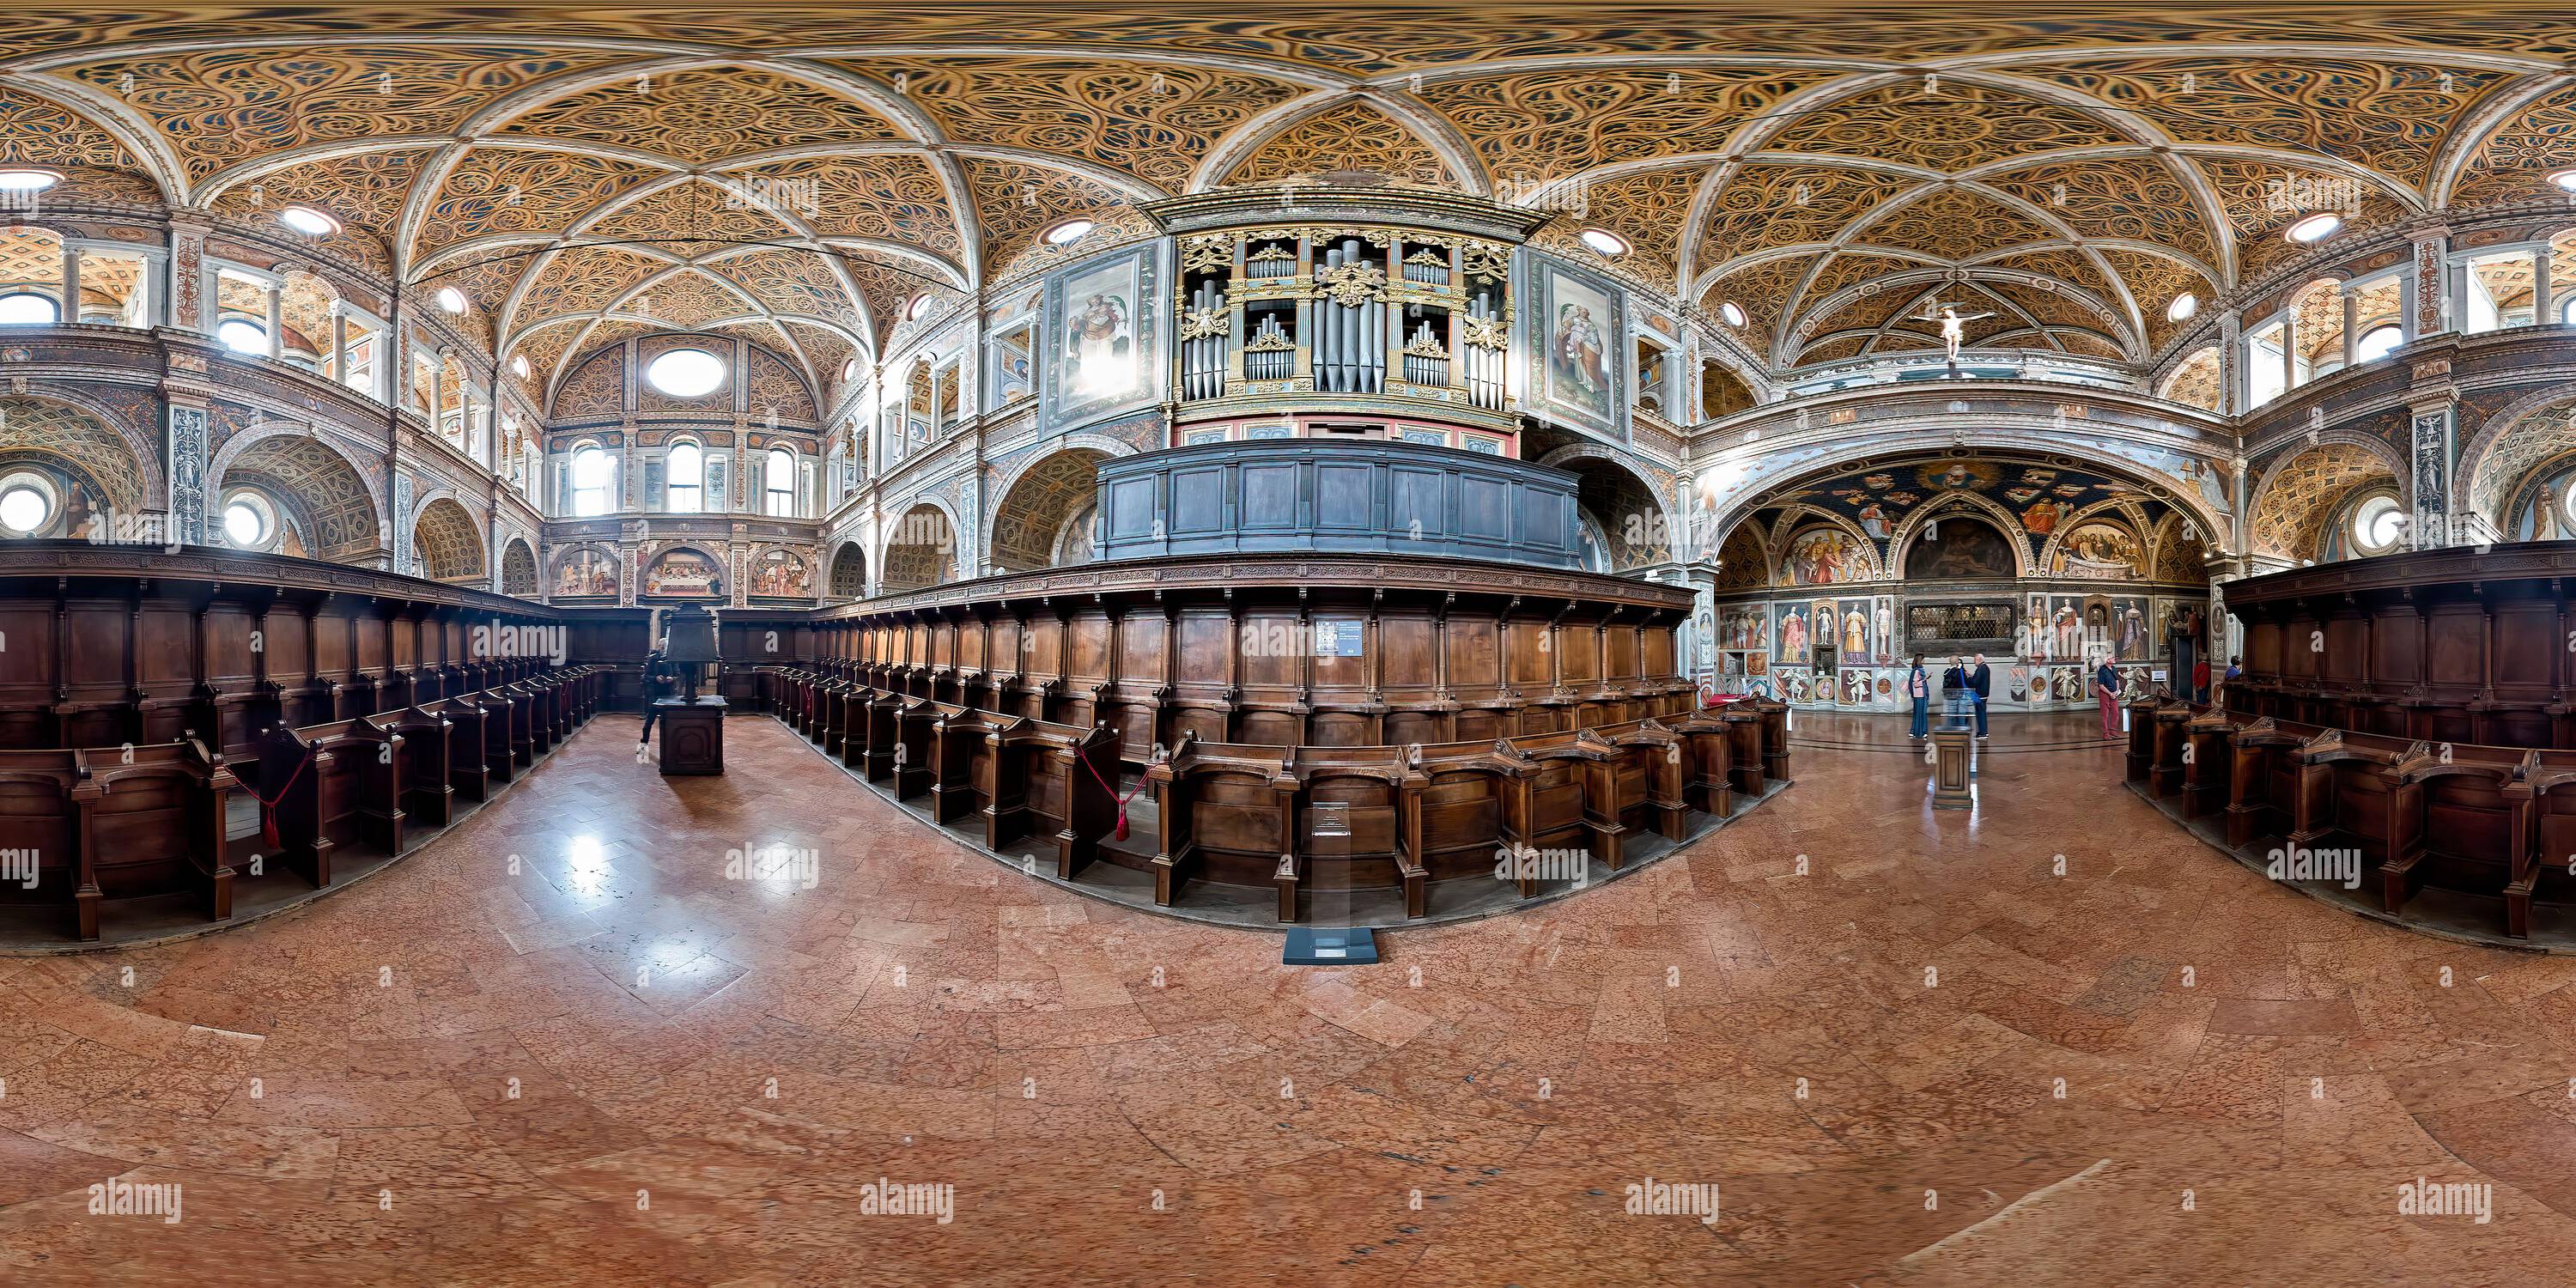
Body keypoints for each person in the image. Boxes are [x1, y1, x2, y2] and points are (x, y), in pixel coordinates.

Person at [639, 646, 677, 748]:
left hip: (669, 693)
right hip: (655, 692)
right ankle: (644, 743)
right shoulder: (653, 658)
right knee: (649, 720)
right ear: (659, 647)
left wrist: (672, 678)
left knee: (669, 720)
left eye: (666, 646)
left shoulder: (673, 658)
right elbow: (646, 676)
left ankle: (670, 745)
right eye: (662, 646)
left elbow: (677, 674)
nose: (664, 649)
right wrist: (655, 678)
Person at [2094, 654, 2121, 740]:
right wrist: (2110, 694)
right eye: (2112, 657)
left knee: (2116, 712)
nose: (2114, 658)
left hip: (2114, 693)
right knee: (2105, 714)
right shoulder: (2102, 670)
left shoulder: (2113, 668)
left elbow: (2117, 681)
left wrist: (2116, 691)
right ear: (2107, 660)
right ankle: (2106, 734)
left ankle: (2113, 731)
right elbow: (2101, 685)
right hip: (2105, 694)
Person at [1969, 653, 1993, 739]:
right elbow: (1979, 679)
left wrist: (1968, 678)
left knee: (1980, 714)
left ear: (1979, 659)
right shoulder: (1985, 667)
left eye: (1974, 660)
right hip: (1983, 694)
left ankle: (1983, 733)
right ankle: (1983, 732)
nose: (1974, 662)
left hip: (1980, 695)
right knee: (1981, 713)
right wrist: (1972, 676)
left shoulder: (1981, 668)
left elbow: (1975, 682)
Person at [1907, 654, 1930, 739]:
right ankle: (1919, 732)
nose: (1925, 660)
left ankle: (1914, 731)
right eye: (1923, 659)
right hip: (1919, 695)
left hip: (1921, 694)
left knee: (1919, 714)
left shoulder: (1920, 670)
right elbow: (1915, 684)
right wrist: (1925, 679)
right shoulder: (1917, 671)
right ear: (1920, 660)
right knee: (1920, 714)